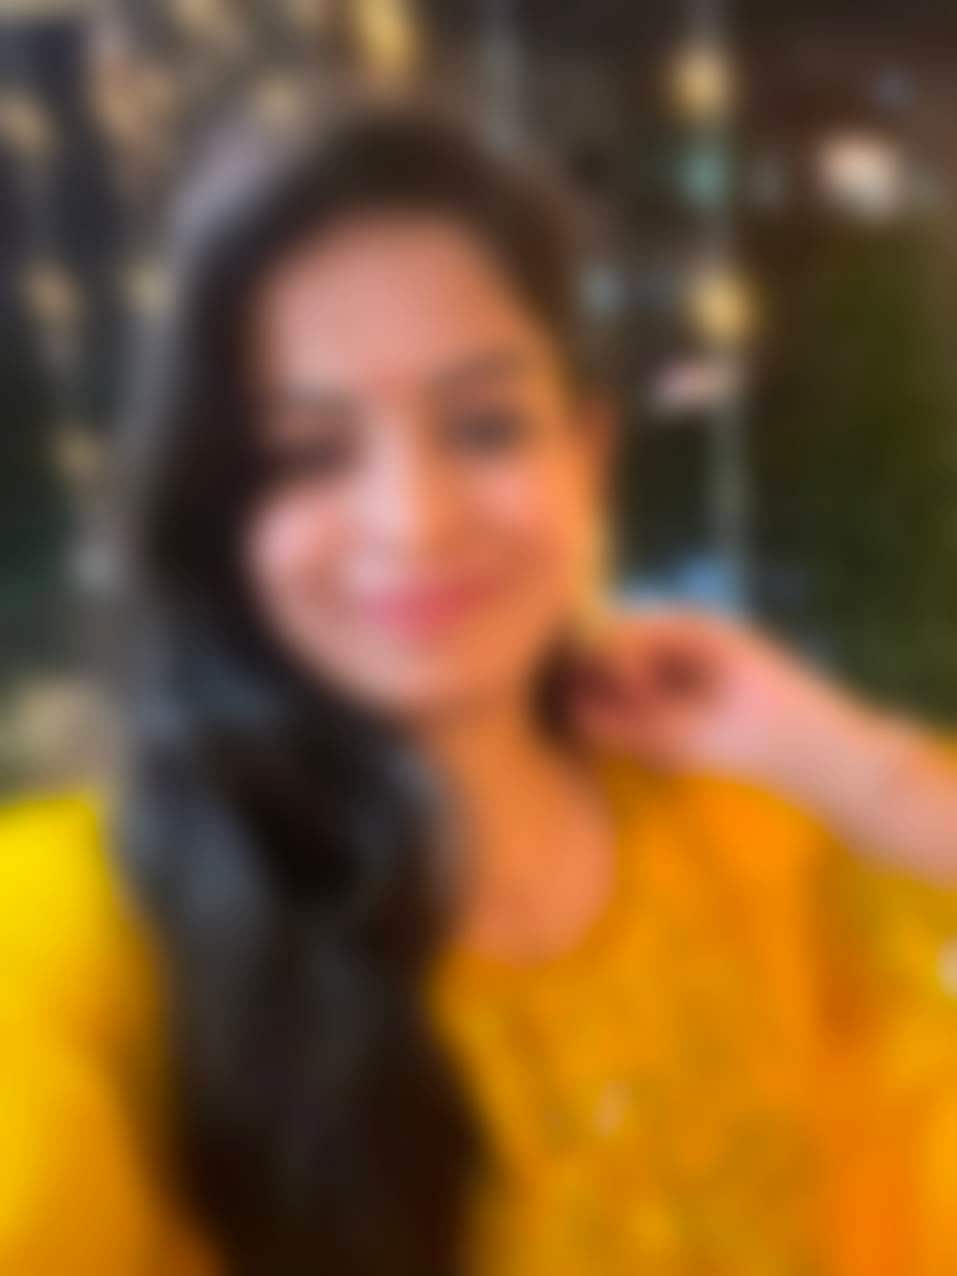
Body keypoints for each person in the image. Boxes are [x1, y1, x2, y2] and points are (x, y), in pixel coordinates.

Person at [2, 97, 956, 1276]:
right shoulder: (87, 941)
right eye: (310, 454)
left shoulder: (747, 825)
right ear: (218, 512)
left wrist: (846, 759)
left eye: (486, 427)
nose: (415, 521)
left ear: (586, 453)